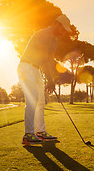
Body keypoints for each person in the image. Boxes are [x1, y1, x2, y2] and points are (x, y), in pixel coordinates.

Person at [18, 14, 72, 145]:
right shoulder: (42, 34)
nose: (64, 32)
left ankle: (40, 132)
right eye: (63, 29)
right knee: (33, 99)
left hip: (36, 70)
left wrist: (51, 80)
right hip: (26, 67)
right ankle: (28, 134)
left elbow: (49, 61)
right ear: (56, 24)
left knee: (41, 101)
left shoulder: (54, 41)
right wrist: (50, 80)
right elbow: (43, 58)